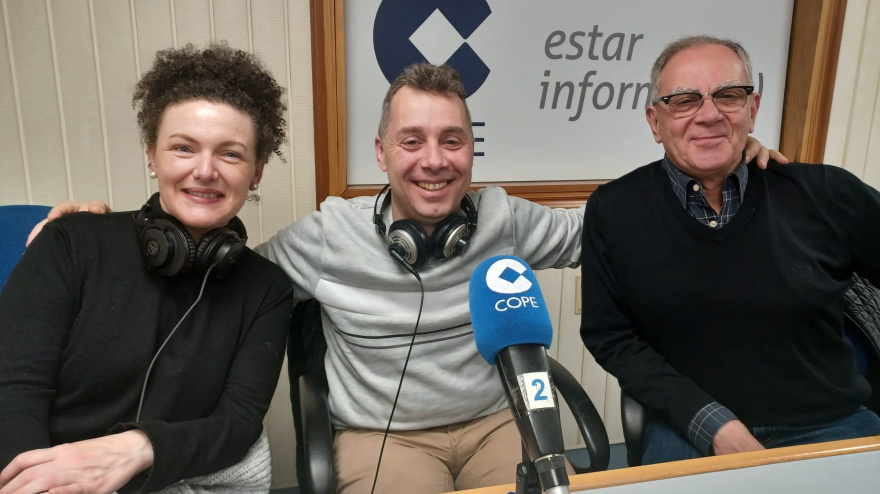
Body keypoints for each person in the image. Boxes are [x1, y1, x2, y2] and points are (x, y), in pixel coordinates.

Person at [30, 62, 779, 493]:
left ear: (471, 153)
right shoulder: (326, 237)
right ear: (383, 153)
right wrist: (105, 230)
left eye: (452, 141)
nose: (434, 159)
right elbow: (219, 275)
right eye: (412, 141)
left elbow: (620, 235)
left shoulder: (506, 219)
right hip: (386, 440)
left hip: (497, 424)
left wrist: (713, 169)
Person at [0, 43, 292, 494]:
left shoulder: (266, 287)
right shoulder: (69, 242)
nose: (205, 170)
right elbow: (14, 390)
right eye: (183, 148)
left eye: (231, 154)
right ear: (151, 155)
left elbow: (237, 423)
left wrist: (136, 449)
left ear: (256, 173)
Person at [580, 35, 880, 465]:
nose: (709, 114)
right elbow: (610, 336)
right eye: (683, 100)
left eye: (728, 95)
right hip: (690, 429)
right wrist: (710, 422)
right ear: (654, 121)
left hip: (830, 424)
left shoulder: (826, 192)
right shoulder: (614, 210)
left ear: (752, 110)